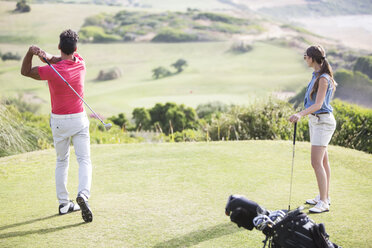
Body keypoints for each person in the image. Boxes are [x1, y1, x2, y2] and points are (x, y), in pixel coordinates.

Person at [21, 29, 93, 222]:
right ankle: (83, 196)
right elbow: (60, 59)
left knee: (62, 161)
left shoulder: (51, 71)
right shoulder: (81, 63)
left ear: (60, 46)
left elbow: (25, 71)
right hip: (78, 119)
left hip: (59, 122)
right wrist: (45, 55)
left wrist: (31, 53)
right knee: (84, 160)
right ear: (75, 48)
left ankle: (64, 203)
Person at [289, 45, 337, 213]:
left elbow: (318, 105)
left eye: (305, 56)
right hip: (317, 122)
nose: (305, 59)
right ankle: (324, 196)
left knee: (316, 162)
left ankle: (323, 202)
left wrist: (299, 114)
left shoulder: (323, 78)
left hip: (323, 122)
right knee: (323, 161)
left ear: (312, 58)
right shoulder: (316, 75)